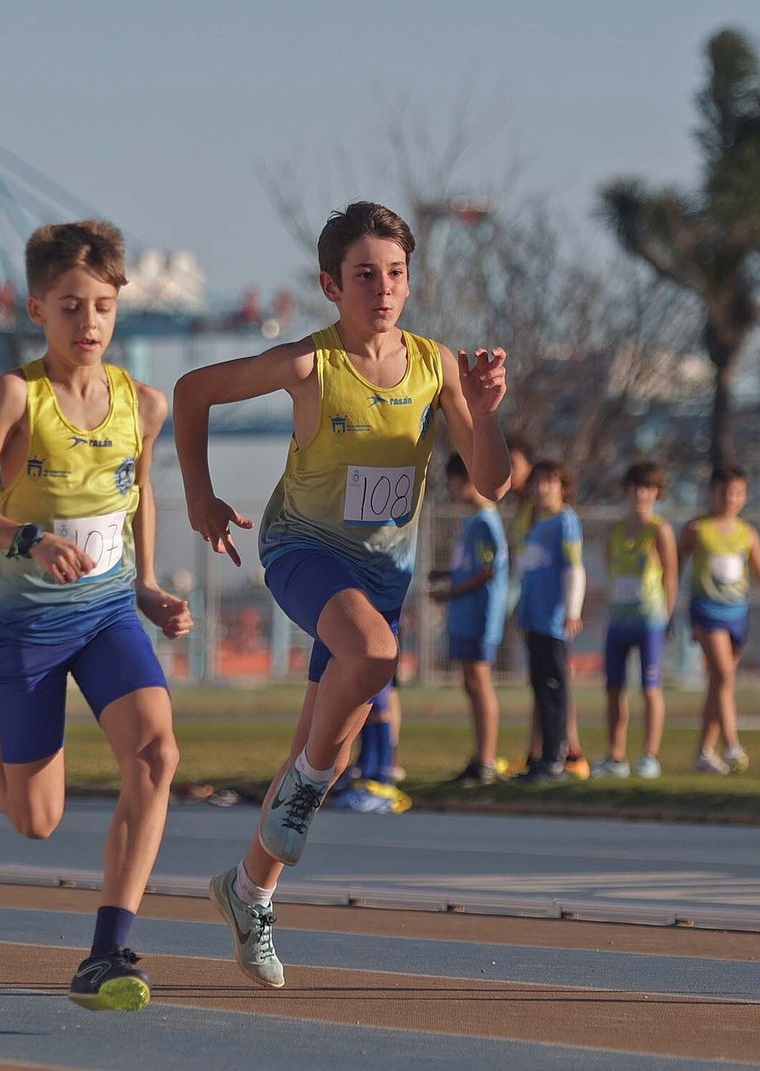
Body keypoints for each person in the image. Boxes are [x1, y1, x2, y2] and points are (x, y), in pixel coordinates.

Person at [173, 201, 510, 989]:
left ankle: (248, 891)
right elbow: (191, 392)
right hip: (304, 549)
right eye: (365, 276)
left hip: (380, 576)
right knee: (374, 656)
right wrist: (201, 497)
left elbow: (490, 482)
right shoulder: (309, 363)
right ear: (332, 284)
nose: (384, 290)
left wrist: (488, 415)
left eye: (396, 274)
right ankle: (305, 790)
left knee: (321, 746)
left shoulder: (436, 366)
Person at [0, 220, 194, 1011]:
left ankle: (109, 949)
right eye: (71, 306)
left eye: (103, 306)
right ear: (37, 307)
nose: (90, 323)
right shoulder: (18, 395)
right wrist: (26, 537)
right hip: (26, 627)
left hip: (108, 613)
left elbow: (137, 497)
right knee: (37, 821)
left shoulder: (143, 404)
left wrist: (145, 585)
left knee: (156, 756)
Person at [677, 467, 760, 775]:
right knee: (722, 674)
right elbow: (672, 566)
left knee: (718, 684)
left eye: (737, 493)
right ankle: (732, 745)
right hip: (707, 610)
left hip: (737, 612)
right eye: (724, 492)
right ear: (712, 493)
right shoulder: (697, 529)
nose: (730, 499)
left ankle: (704, 752)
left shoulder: (747, 533)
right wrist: (667, 606)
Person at [505, 437, 587, 777]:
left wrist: (572, 610)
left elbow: (574, 568)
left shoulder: (565, 521)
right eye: (538, 483)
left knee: (555, 686)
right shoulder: (531, 521)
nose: (542, 490)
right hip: (533, 616)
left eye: (550, 484)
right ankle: (541, 756)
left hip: (554, 619)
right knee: (540, 686)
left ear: (563, 488)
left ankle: (557, 755)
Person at [429, 452, 509, 785]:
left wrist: (451, 593)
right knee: (469, 684)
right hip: (464, 615)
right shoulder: (472, 520)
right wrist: (447, 574)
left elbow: (489, 571)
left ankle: (487, 760)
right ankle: (479, 756)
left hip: (479, 615)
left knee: (479, 683)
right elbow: (471, 567)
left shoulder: (487, 520)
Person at [594, 462, 677, 779]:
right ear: (626, 491)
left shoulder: (660, 530)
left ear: (656, 493)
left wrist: (667, 617)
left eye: (648, 489)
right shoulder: (613, 532)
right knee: (614, 688)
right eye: (635, 488)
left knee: (650, 688)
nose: (641, 495)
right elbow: (609, 574)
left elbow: (670, 577)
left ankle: (649, 756)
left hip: (649, 620)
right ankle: (616, 756)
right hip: (619, 620)